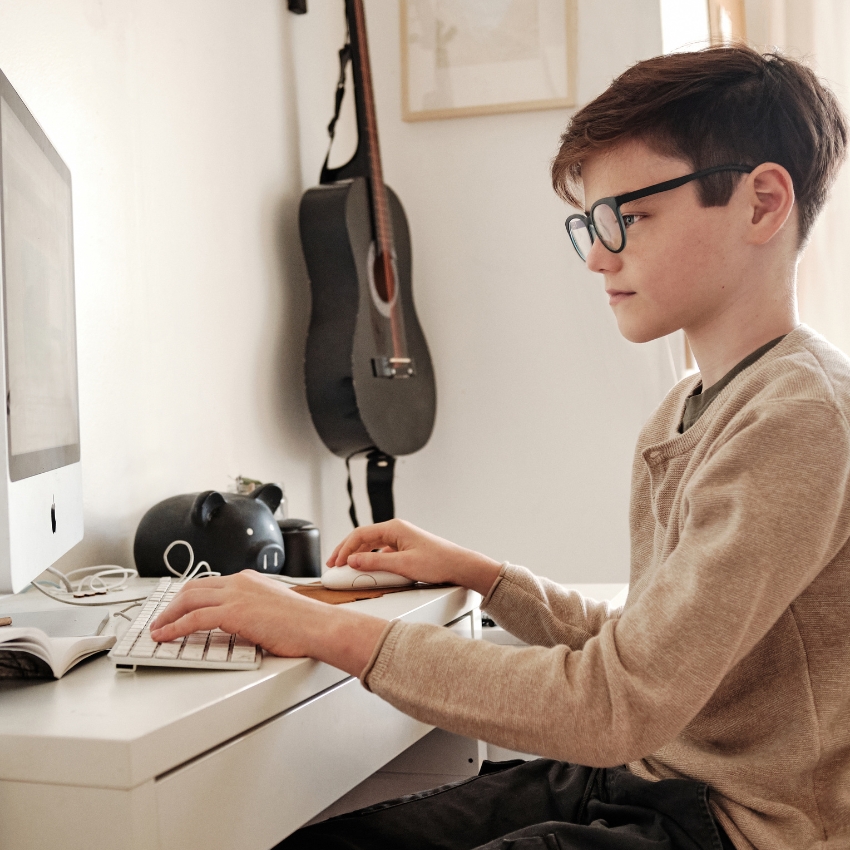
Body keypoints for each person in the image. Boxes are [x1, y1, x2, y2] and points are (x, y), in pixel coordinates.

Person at [151, 44, 850, 850]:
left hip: (741, 828)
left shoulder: (802, 416)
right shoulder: (689, 408)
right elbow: (646, 650)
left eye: (627, 215)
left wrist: (323, 630)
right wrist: (483, 575)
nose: (597, 253)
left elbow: (615, 702)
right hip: (651, 783)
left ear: (762, 202)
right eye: (588, 223)